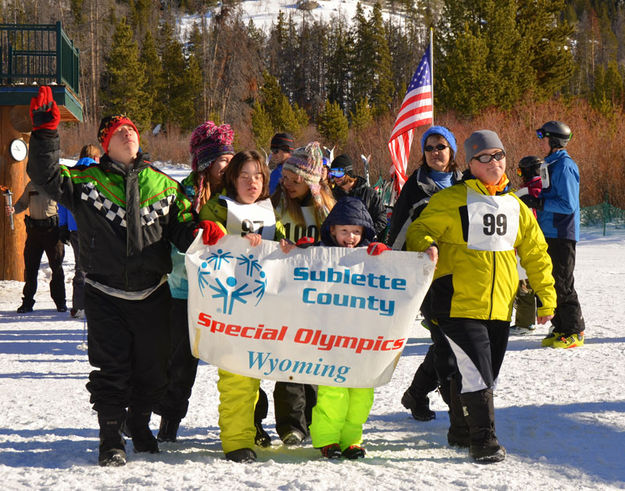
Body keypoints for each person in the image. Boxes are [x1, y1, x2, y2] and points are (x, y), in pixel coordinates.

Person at [25, 86, 222, 467]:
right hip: (104, 294)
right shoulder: (87, 184)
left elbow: (184, 230)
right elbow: (45, 175)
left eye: (131, 129)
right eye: (118, 131)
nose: (127, 133)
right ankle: (111, 439)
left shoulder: (165, 185)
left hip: (153, 294)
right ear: (104, 144)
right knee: (112, 371)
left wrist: (202, 232)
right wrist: (47, 132)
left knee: (155, 372)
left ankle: (140, 422)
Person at [406, 130, 557, 463]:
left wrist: (547, 297)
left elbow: (535, 252)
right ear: (471, 163)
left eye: (499, 155)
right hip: (457, 302)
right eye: (485, 157)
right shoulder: (451, 199)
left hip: (499, 307)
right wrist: (427, 245)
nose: (494, 162)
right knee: (477, 372)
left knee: (481, 372)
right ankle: (483, 440)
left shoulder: (515, 206)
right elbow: (419, 229)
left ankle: (459, 430)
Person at [198, 149, 286, 463]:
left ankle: (249, 430)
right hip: (229, 306)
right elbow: (207, 242)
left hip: (263, 308)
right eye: (245, 176)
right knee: (236, 377)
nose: (252, 182)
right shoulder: (218, 209)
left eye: (258, 176)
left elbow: (280, 242)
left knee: (256, 374)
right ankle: (236, 442)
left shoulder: (269, 210)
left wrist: (286, 245)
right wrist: (228, 239)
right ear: (233, 179)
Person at [286, 196, 388, 459]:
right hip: (330, 339)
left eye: (356, 232)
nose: (350, 237)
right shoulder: (320, 253)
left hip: (362, 338)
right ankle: (328, 439)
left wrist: (385, 258)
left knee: (362, 395)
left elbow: (391, 282)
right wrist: (304, 252)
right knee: (333, 393)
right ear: (332, 230)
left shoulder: (372, 257)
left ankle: (352, 439)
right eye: (344, 231)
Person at [155, 121, 235, 443]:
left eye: (231, 159)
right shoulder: (183, 193)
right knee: (180, 363)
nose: (229, 166)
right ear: (206, 163)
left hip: (230, 292)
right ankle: (167, 423)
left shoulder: (237, 192)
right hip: (184, 289)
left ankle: (250, 423)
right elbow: (174, 232)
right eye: (223, 160)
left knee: (239, 362)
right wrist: (198, 232)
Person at [386, 125, 463, 422]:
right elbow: (399, 229)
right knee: (444, 340)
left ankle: (416, 394)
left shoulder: (465, 183)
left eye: (440, 147)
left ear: (452, 151)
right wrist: (394, 269)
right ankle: (450, 393)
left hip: (461, 273)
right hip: (425, 275)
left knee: (453, 339)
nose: (434, 153)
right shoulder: (415, 185)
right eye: (429, 148)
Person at [262, 142, 334, 447]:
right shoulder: (275, 206)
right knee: (289, 361)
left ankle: (314, 419)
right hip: (284, 294)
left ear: (313, 183)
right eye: (286, 179)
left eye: (296, 181)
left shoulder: (328, 209)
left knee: (316, 361)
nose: (288, 185)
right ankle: (290, 424)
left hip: (320, 297)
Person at [522, 121, 585, 349]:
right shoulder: (552, 163)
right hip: (549, 231)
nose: (542, 142)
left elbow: (568, 204)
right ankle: (560, 327)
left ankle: (574, 330)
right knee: (551, 281)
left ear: (554, 140)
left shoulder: (565, 166)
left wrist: (538, 202)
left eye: (544, 138)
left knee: (563, 282)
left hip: (562, 232)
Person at [6, 180, 66, 313]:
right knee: (30, 268)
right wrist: (14, 209)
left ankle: (60, 302)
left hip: (52, 231)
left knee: (57, 267)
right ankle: (27, 302)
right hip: (34, 232)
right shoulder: (31, 184)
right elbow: (23, 202)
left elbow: (67, 206)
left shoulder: (56, 183)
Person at [58, 144, 101, 318]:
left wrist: (63, 226)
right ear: (96, 157)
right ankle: (97, 304)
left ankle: (78, 305)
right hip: (96, 228)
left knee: (80, 265)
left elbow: (62, 201)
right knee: (98, 267)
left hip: (75, 228)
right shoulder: (99, 174)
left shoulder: (71, 173)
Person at [511, 156, 544, 332]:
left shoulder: (525, 192)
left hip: (528, 244)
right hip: (550, 241)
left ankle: (525, 322)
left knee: (524, 283)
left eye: (520, 171)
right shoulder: (547, 189)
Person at [328, 154, 387, 238]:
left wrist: (368, 233)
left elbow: (382, 217)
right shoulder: (333, 194)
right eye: (332, 173)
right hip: (339, 242)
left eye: (338, 172)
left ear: (348, 171)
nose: (335, 177)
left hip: (363, 243)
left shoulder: (368, 193)